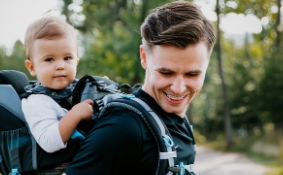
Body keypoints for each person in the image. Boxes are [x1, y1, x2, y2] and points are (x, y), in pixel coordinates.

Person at [63, 1, 216, 175]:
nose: (179, 88)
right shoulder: (123, 128)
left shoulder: (179, 123)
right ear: (144, 57)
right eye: (166, 73)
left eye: (192, 74)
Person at [21, 16, 94, 154]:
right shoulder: (37, 102)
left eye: (67, 58)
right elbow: (48, 142)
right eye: (49, 59)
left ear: (76, 62)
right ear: (32, 67)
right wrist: (75, 114)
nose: (60, 66)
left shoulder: (81, 89)